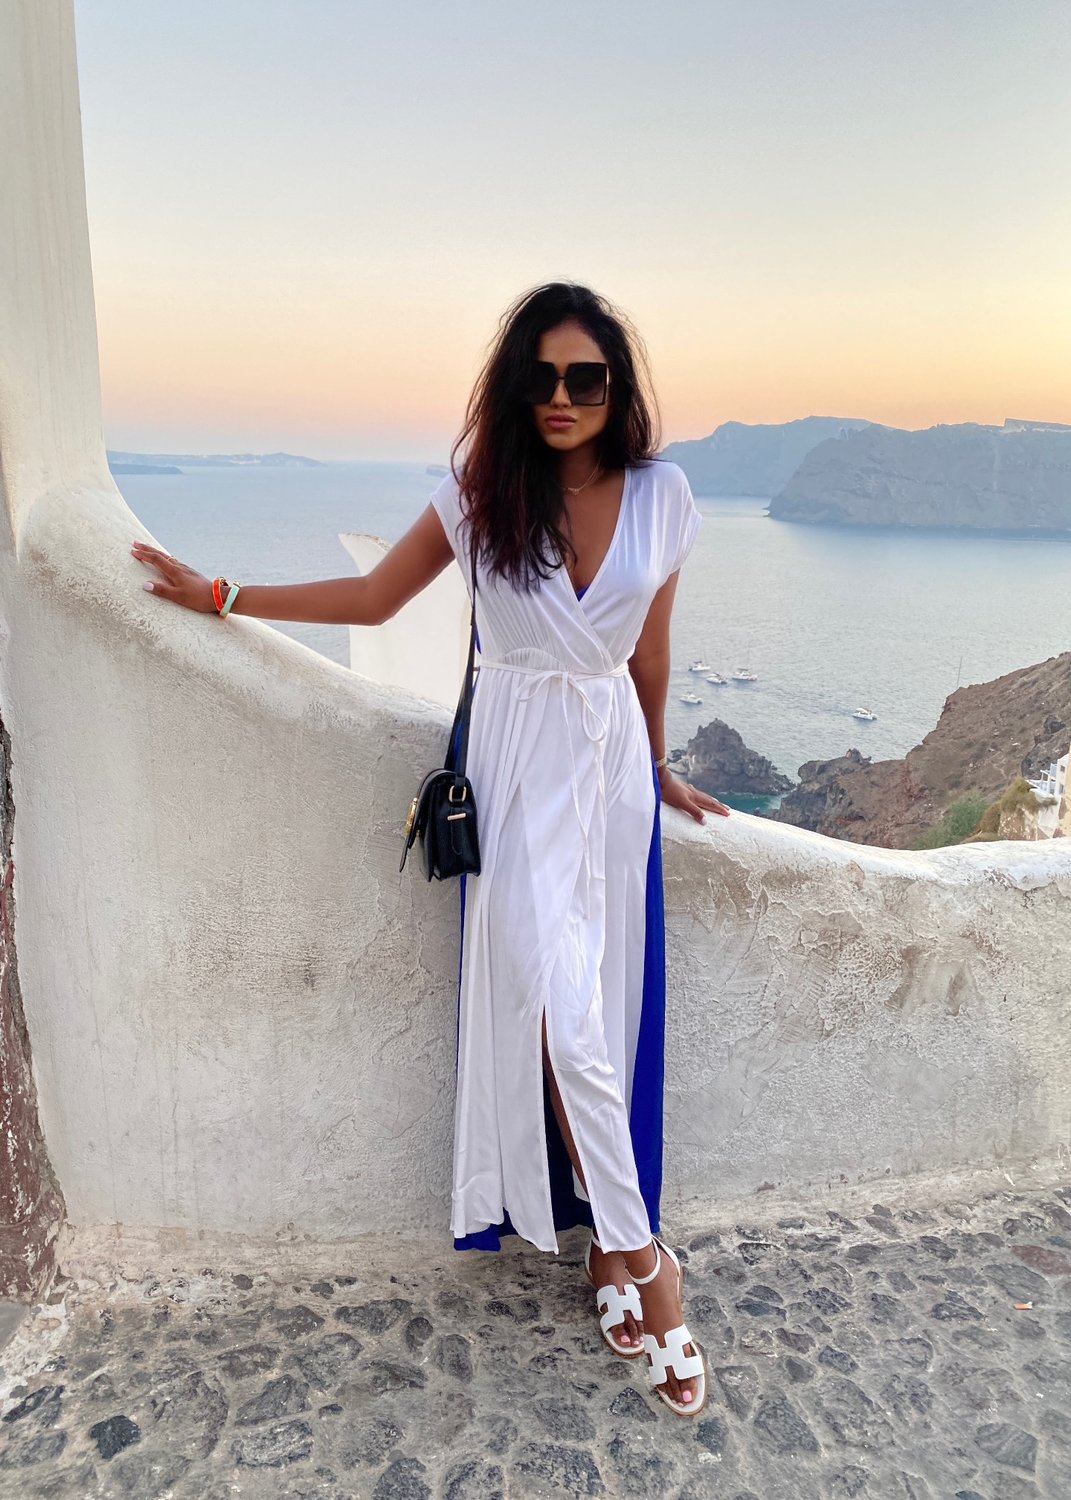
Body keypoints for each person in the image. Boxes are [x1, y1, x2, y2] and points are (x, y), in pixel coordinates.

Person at [131, 281, 730, 1416]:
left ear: (617, 389)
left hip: (606, 770)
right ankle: (653, 1267)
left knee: (597, 1010)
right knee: (555, 1005)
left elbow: (651, 655)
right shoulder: (480, 492)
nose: (560, 397)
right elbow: (370, 599)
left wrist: (653, 768)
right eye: (539, 377)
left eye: (585, 378)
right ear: (512, 385)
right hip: (515, 767)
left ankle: (609, 1246)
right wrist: (222, 591)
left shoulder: (667, 496)